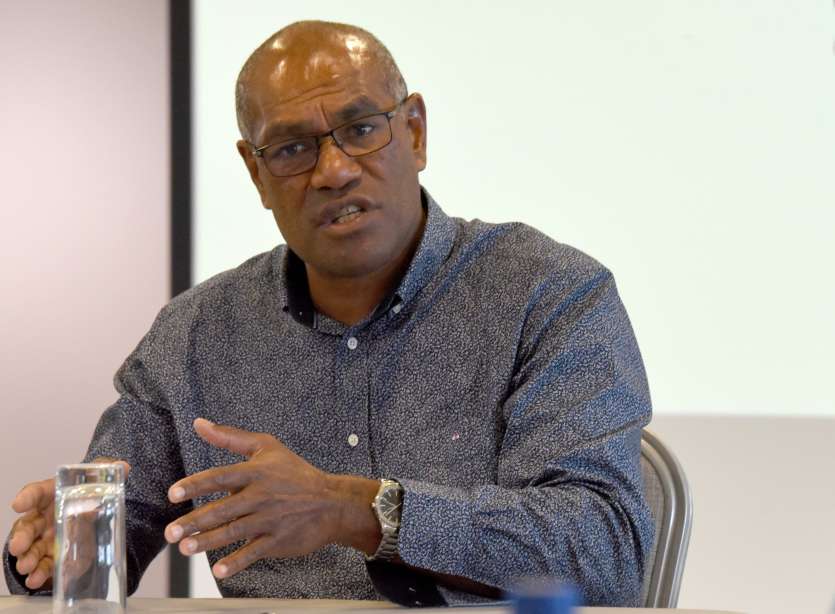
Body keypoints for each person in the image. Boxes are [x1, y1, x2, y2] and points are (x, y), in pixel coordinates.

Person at [4, 21, 654, 606]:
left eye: (361, 129)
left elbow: (604, 551)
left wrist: (357, 510)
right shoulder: (194, 336)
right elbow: (107, 536)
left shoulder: (547, 294)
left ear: (415, 132)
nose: (334, 171)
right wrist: (59, 550)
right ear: (255, 174)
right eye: (292, 148)